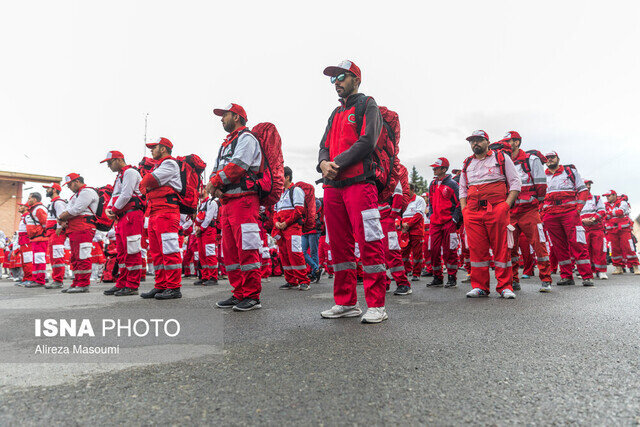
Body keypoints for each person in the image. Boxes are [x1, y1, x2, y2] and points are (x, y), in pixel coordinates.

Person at [317, 60, 388, 323]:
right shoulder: (335, 114)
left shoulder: (367, 104)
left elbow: (368, 141)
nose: (337, 82)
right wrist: (324, 163)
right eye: (334, 78)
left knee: (369, 243)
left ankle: (377, 304)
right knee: (339, 247)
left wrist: (337, 163)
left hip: (360, 183)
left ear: (356, 79)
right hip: (333, 187)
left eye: (342, 76)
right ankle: (346, 302)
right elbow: (323, 145)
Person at [208, 103, 264, 311]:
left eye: (225, 115)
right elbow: (217, 169)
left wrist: (214, 184)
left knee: (247, 249)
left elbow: (239, 165)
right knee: (230, 252)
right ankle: (238, 292)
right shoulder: (225, 144)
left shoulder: (246, 139)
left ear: (237, 117)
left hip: (245, 202)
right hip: (228, 202)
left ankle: (251, 296)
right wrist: (216, 187)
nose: (221, 119)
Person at [459, 130, 521, 299]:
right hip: (472, 212)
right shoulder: (467, 163)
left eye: (478, 140)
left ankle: (505, 286)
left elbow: (515, 182)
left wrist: (506, 206)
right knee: (476, 251)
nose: (474, 144)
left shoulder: (501, 158)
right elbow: (462, 189)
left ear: (487, 141)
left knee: (502, 248)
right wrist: (464, 211)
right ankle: (480, 286)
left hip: (496, 210)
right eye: (472, 141)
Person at [502, 131, 553, 292]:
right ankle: (513, 280)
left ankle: (546, 279)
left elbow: (540, 185)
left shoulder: (531, 159)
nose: (506, 144)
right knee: (510, 247)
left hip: (529, 211)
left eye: (509, 141)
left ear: (517, 142)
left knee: (539, 244)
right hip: (510, 212)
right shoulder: (503, 161)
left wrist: (535, 202)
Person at [138, 138, 184, 299]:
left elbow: (148, 181)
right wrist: (146, 184)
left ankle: (173, 287)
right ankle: (161, 285)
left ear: (163, 149)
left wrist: (146, 183)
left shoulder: (170, 164)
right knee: (156, 252)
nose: (151, 151)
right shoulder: (159, 166)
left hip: (166, 211)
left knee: (169, 250)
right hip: (155, 212)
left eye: (154, 147)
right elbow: (143, 188)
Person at [541, 151, 594, 286]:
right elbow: (539, 196)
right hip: (551, 215)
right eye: (547, 158)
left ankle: (586, 276)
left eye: (552, 157)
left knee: (578, 243)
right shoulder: (542, 175)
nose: (549, 160)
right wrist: (542, 214)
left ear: (558, 158)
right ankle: (566, 276)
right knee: (558, 247)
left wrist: (577, 210)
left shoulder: (570, 171)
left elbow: (583, 191)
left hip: (569, 214)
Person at [100, 150, 145, 296]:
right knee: (122, 253)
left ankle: (132, 285)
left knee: (132, 250)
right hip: (122, 217)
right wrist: (109, 209)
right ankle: (122, 283)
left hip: (131, 215)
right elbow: (116, 195)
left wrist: (112, 210)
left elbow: (126, 194)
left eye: (110, 162)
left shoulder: (130, 172)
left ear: (119, 160)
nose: (108, 166)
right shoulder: (120, 175)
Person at [57, 173, 99, 293]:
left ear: (77, 181)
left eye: (70, 184)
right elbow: (69, 210)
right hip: (75, 228)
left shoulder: (86, 192)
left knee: (83, 256)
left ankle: (83, 284)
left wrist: (61, 217)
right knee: (75, 257)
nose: (69, 187)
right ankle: (77, 282)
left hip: (83, 227)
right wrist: (63, 218)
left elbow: (76, 209)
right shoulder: (76, 195)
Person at [273, 167, 311, 290]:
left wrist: (286, 223)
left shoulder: (296, 190)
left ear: (287, 177)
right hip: (281, 229)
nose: (278, 179)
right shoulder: (279, 194)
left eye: (281, 176)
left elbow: (299, 210)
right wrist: (276, 223)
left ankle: (303, 280)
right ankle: (291, 280)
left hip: (293, 228)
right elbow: (275, 212)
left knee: (295, 253)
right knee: (284, 254)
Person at [427, 157, 462, 288]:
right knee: (433, 250)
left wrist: (454, 218)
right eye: (434, 168)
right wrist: (431, 216)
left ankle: (452, 277)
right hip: (435, 223)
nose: (434, 169)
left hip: (448, 223)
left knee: (450, 250)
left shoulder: (453, 184)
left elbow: (460, 203)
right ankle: (437, 277)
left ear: (444, 169)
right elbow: (430, 202)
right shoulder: (432, 184)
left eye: (436, 168)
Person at [379, 179, 412, 295]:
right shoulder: (372, 171)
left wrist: (393, 215)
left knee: (391, 252)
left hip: (387, 218)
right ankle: (384, 283)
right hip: (374, 217)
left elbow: (398, 193)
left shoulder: (390, 173)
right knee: (377, 253)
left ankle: (403, 284)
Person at [603, 190, 639, 275]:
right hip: (611, 230)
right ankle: (618, 267)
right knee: (614, 249)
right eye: (606, 196)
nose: (607, 198)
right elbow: (604, 215)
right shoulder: (605, 205)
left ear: (614, 195)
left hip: (624, 230)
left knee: (628, 247)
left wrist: (609, 213)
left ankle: (635, 267)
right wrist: (613, 214)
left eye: (609, 196)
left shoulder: (623, 203)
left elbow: (621, 212)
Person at [581, 180, 608, 279]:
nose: (588, 186)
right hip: (583, 228)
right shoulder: (577, 199)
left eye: (589, 185)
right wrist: (582, 220)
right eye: (586, 185)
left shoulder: (596, 198)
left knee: (599, 249)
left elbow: (602, 211)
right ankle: (588, 271)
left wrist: (593, 219)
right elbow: (574, 213)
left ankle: (601, 271)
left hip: (596, 228)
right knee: (585, 250)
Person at [43, 183, 67, 288]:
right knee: (54, 257)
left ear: (54, 190)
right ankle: (56, 280)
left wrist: (58, 229)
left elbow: (62, 217)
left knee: (57, 257)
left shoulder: (58, 202)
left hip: (56, 233)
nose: (46, 190)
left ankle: (58, 281)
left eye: (48, 188)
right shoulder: (53, 203)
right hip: (52, 233)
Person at [401, 184, 427, 281]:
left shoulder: (420, 200)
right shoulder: (403, 200)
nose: (405, 192)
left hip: (416, 230)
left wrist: (408, 224)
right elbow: (399, 214)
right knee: (403, 252)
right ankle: (406, 270)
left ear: (412, 190)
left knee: (417, 254)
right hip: (405, 230)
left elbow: (419, 214)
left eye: (407, 190)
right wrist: (402, 224)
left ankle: (416, 273)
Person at [194, 188, 219, 286]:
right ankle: (205, 277)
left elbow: (208, 218)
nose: (198, 191)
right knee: (202, 254)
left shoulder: (211, 202)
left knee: (210, 253)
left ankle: (213, 278)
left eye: (201, 189)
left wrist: (201, 228)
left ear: (205, 190)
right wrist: (196, 229)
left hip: (209, 230)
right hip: (202, 231)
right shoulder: (201, 204)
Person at [24, 192, 49, 288]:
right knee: (36, 260)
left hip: (40, 239)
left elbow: (45, 224)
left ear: (34, 199)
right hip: (36, 239)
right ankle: (36, 279)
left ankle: (39, 280)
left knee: (39, 260)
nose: (28, 200)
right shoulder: (35, 209)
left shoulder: (38, 209)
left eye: (29, 198)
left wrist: (41, 233)